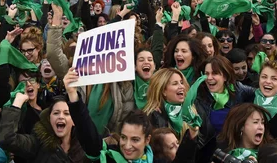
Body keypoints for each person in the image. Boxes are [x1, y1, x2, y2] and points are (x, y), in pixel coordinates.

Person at [64, 68, 199, 163]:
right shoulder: (110, 156)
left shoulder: (157, 161)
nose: (127, 146)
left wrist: (192, 133)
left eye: (135, 140)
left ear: (147, 140)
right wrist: (73, 95)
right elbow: (87, 133)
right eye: (123, 138)